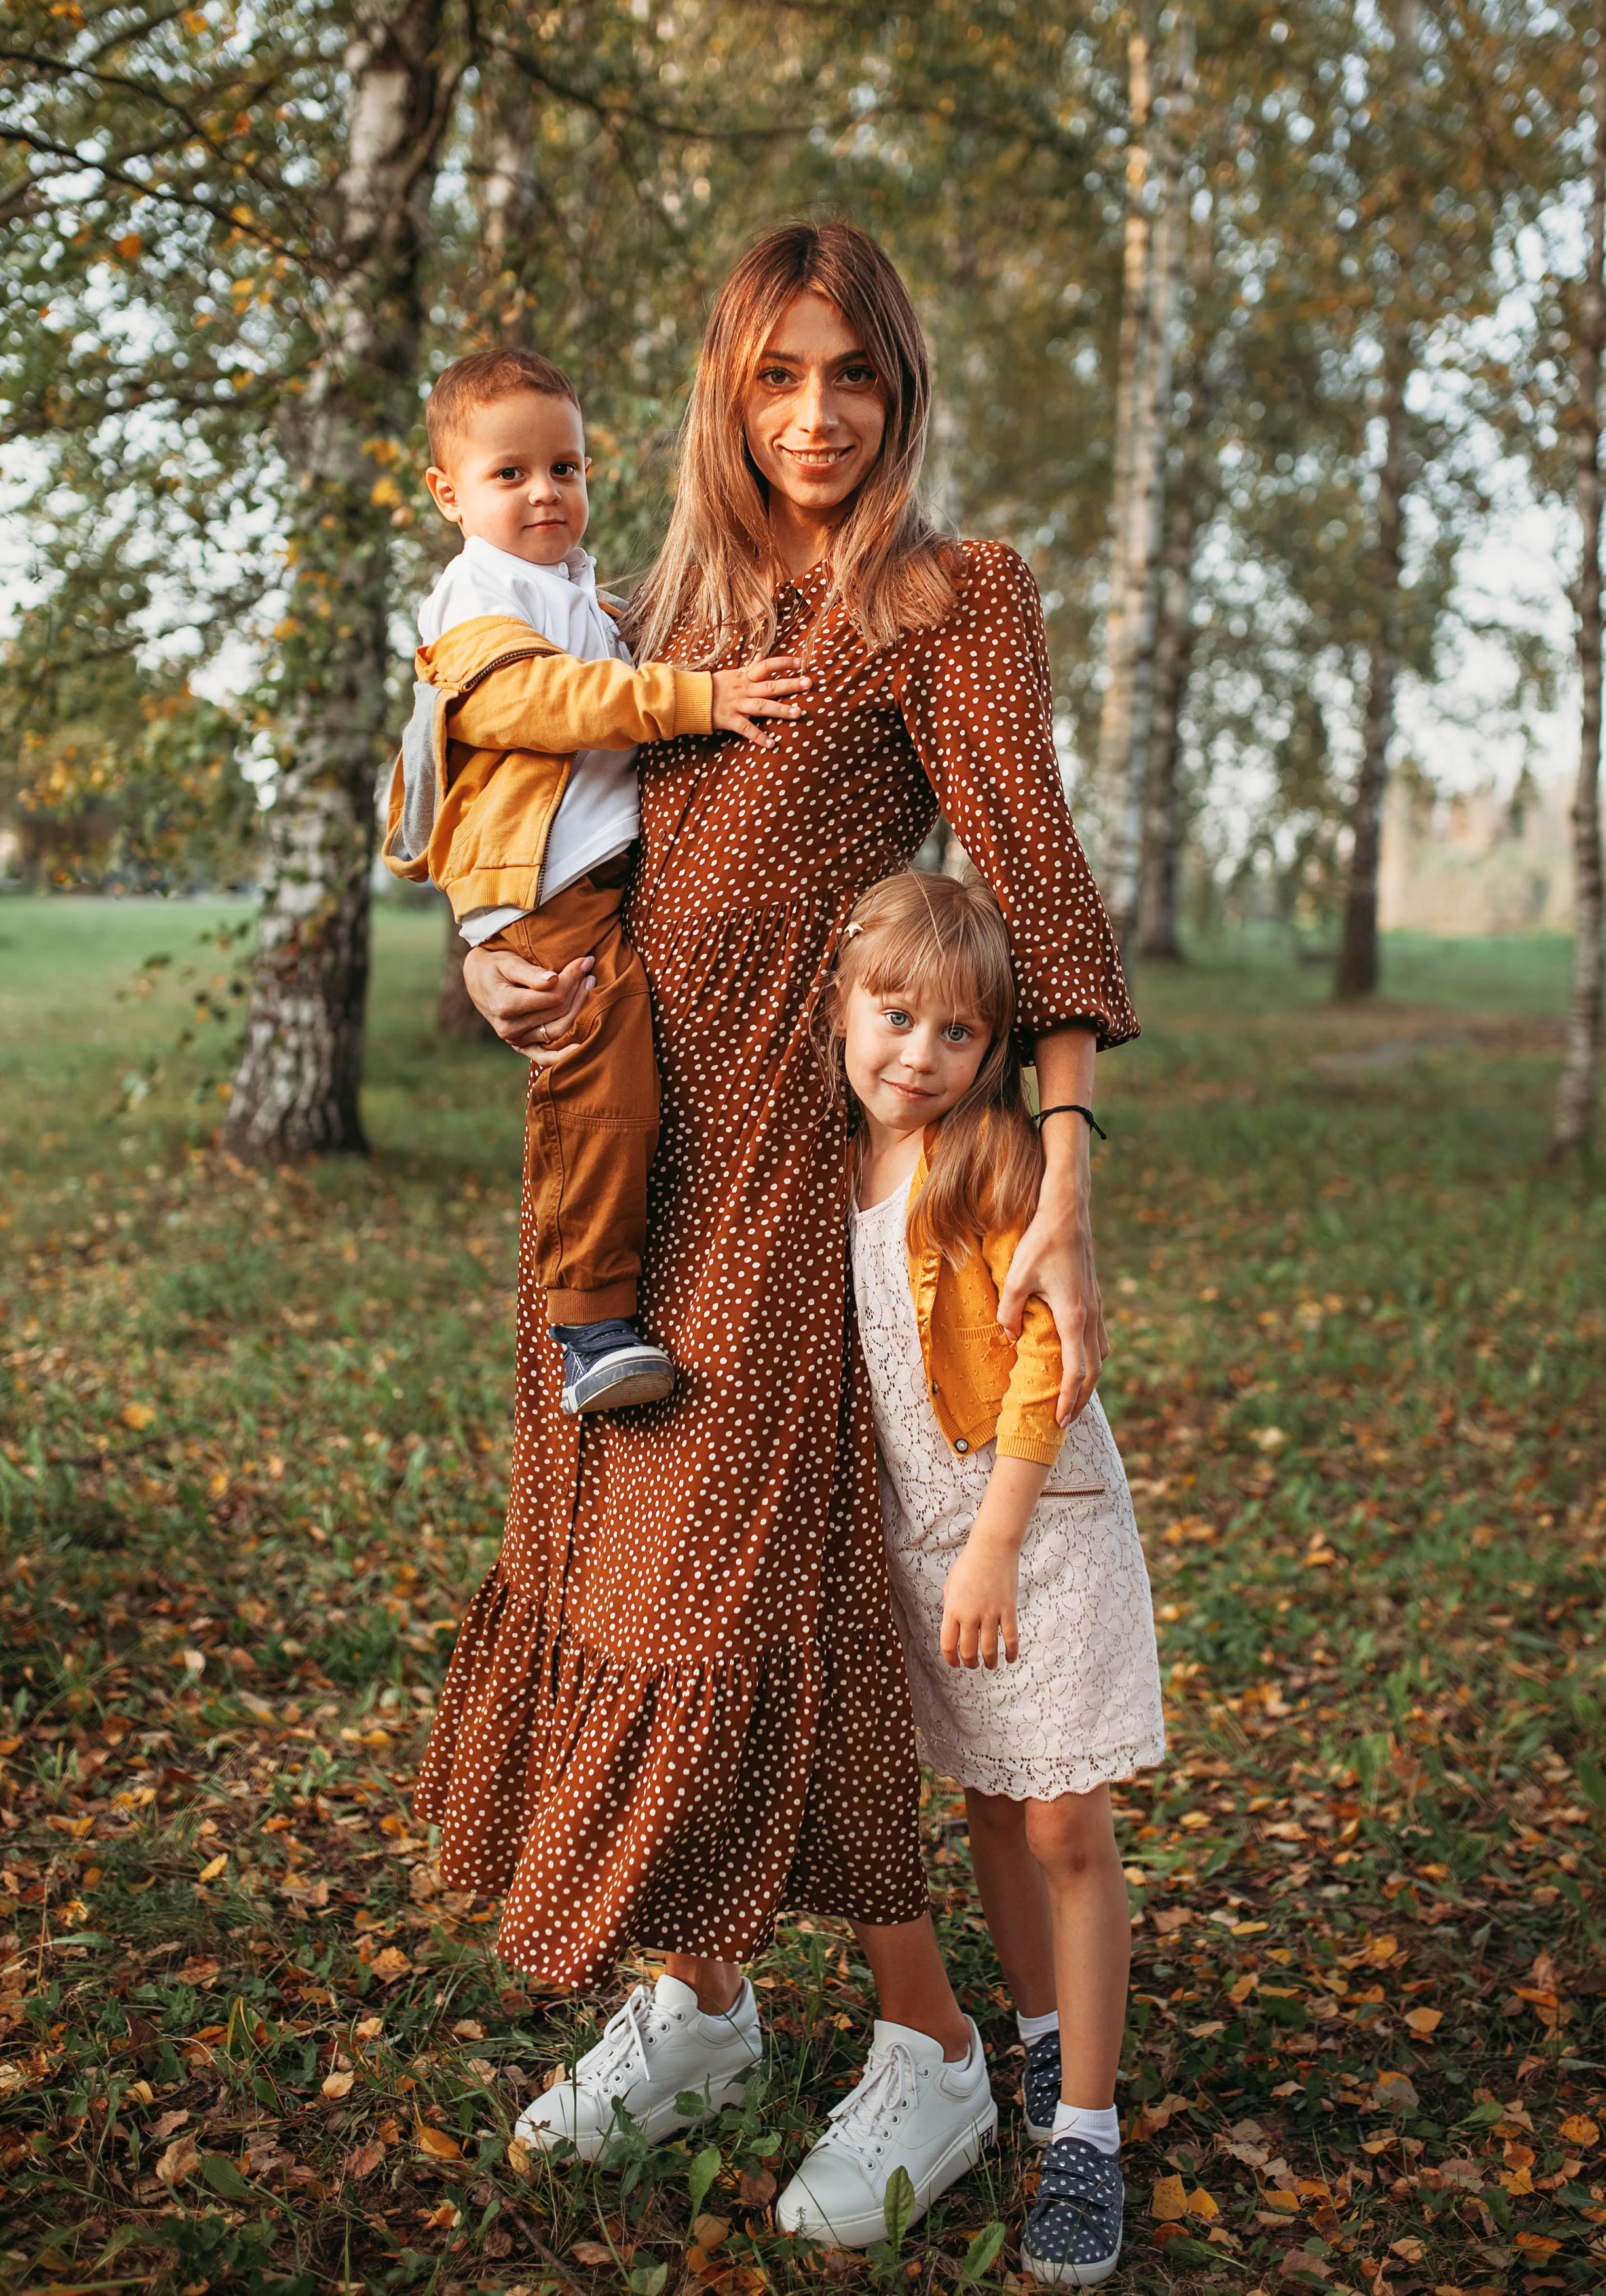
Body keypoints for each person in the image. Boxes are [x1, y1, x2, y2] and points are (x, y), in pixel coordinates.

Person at [413, 222, 1140, 2248]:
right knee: (604, 1573)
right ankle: (705, 2003)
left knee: (727, 1614)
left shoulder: (945, 603)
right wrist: (489, 965)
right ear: (725, 390)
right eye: (775, 378)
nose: (816, 418)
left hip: (779, 1193)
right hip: (604, 1190)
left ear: (901, 392)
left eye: (854, 378)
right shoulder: (641, 609)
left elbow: (1045, 891)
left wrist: (1065, 1175)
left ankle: (930, 2050)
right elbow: (493, 793)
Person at [830, 869, 1164, 2282]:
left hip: (1034, 1520)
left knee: (1059, 1822)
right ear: (839, 1006)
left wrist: (993, 1538)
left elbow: (1042, 1361)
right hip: (923, 1537)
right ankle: (1037, 2037)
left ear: (995, 1049)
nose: (917, 1055)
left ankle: (1085, 2132)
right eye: (892, 1016)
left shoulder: (986, 1158)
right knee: (984, 1797)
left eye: (956, 1035)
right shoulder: (824, 1161)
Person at [382, 346, 808, 1412]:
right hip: (543, 894)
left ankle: (593, 1307)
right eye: (510, 474)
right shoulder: (475, 594)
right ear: (448, 495)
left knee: (620, 1086)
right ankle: (587, 1322)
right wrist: (696, 700)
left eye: (565, 468)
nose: (545, 492)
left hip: (586, 881)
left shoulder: (574, 584)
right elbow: (537, 704)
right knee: (596, 1089)